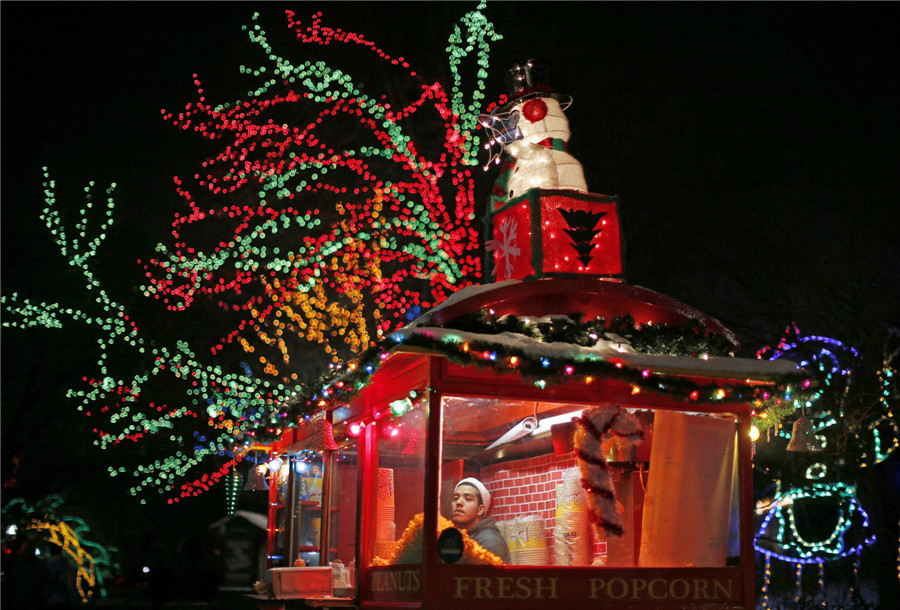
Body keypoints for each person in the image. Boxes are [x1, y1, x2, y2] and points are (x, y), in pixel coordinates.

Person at [450, 478, 510, 563]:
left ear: (480, 509)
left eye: (468, 499)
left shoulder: (489, 541)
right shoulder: (459, 536)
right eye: (455, 498)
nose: (458, 502)